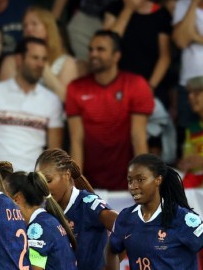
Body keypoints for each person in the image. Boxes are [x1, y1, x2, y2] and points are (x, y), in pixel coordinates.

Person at [65, 30, 153, 191]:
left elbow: (138, 138)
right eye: (91, 49)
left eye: (101, 49)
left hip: (127, 184)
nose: (93, 54)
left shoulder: (136, 84)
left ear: (116, 56)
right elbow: (76, 140)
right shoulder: (75, 88)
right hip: (90, 183)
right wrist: (77, 188)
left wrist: (142, 183)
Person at [0, 37, 64, 171]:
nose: (40, 64)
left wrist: (41, 180)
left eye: (43, 59)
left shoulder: (52, 100)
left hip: (33, 181)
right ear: (19, 59)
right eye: (35, 58)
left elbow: (54, 151)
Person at [102, 0, 172, 100]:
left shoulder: (161, 14)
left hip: (149, 87)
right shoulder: (114, 9)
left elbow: (165, 57)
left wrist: (149, 87)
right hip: (117, 86)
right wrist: (128, 9)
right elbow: (107, 44)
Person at [0, 6, 79, 101]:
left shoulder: (66, 62)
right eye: (25, 26)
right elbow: (3, 97)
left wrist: (44, 69)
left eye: (34, 24)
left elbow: (67, 100)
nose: (28, 29)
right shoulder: (13, 60)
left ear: (48, 27)